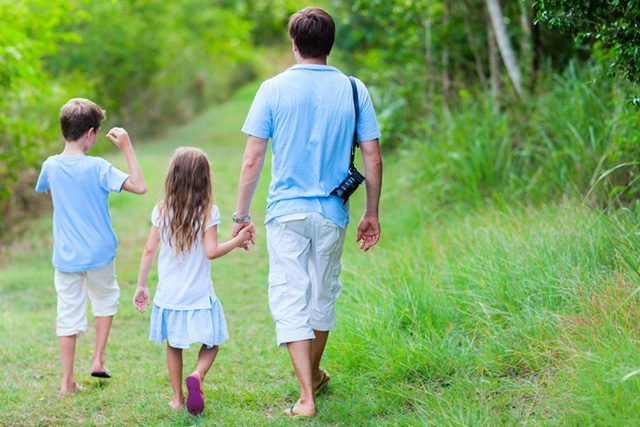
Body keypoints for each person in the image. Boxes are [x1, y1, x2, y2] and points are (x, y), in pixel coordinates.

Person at [232, 7, 383, 418]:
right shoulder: (354, 89)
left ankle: (306, 395)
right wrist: (371, 212)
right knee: (321, 296)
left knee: (289, 295)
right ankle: (312, 377)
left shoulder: (272, 89)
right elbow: (372, 155)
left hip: (286, 212)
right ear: (329, 45)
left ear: (294, 44)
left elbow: (252, 159)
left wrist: (241, 216)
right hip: (333, 212)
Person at [35, 98, 147, 396]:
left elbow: (44, 187)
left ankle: (67, 382)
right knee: (106, 300)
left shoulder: (51, 166)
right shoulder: (98, 167)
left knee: (68, 315)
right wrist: (126, 147)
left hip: (67, 257)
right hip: (99, 253)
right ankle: (98, 358)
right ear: (90, 133)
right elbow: (140, 186)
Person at [133, 147, 254, 415]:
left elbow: (149, 250)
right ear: (205, 179)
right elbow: (211, 251)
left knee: (174, 345)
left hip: (169, 295)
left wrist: (142, 285)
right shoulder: (208, 212)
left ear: (172, 177)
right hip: (199, 295)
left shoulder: (161, 210)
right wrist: (237, 241)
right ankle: (198, 375)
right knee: (212, 342)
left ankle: (177, 398)